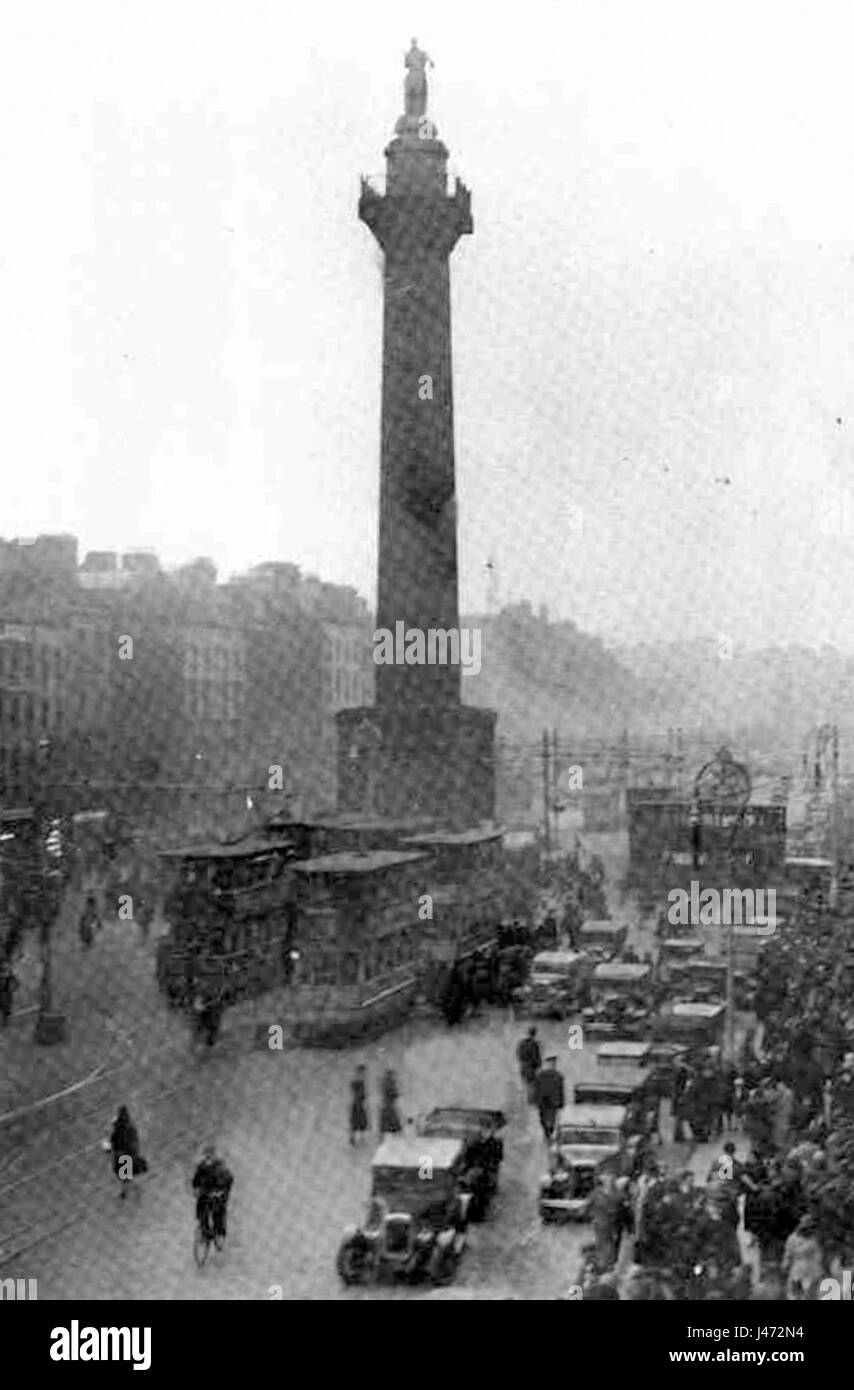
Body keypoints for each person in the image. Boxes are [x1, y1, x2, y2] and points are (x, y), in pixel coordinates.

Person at [192, 1143, 234, 1240]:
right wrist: (196, 1188)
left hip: (219, 1193)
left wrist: (222, 1191)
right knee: (201, 1208)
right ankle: (205, 1231)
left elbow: (229, 1179)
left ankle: (219, 1232)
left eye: (210, 1155)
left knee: (218, 1211)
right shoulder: (201, 1166)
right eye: (206, 1155)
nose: (208, 1157)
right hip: (206, 1192)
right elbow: (196, 1179)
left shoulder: (220, 1166)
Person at [110, 1105, 147, 1199]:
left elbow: (114, 1142)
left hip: (123, 1156)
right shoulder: (131, 1127)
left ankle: (127, 1192)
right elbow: (135, 1141)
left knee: (125, 1178)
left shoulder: (118, 1129)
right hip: (131, 1155)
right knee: (127, 1177)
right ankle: (129, 1191)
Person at [533, 1055, 565, 1141]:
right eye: (551, 1063)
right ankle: (547, 1131)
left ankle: (549, 1132)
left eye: (553, 1063)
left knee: (551, 1118)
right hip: (545, 1101)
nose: (552, 1065)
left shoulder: (558, 1076)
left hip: (551, 1102)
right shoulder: (541, 1075)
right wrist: (536, 1100)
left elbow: (560, 1089)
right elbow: (537, 1089)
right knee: (544, 1118)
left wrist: (561, 1102)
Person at [516, 1026, 542, 1103]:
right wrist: (538, 1065)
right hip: (531, 1068)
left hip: (523, 1066)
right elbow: (536, 1057)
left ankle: (526, 1101)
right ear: (535, 1034)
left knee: (525, 1084)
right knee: (532, 1084)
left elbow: (518, 1055)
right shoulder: (534, 1044)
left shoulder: (521, 1043)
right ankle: (531, 1101)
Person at [349, 1064, 369, 1145]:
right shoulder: (359, 1081)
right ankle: (357, 1138)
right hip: (358, 1104)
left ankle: (354, 1137)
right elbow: (361, 1094)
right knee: (360, 1120)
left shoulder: (357, 1081)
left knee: (356, 1121)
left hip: (357, 1103)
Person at [379, 1068, 402, 1135]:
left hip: (387, 1103)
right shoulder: (390, 1082)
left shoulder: (385, 1082)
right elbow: (392, 1093)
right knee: (391, 1117)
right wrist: (397, 1094)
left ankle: (388, 1131)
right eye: (392, 1074)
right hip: (389, 1103)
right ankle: (393, 1132)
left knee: (388, 1116)